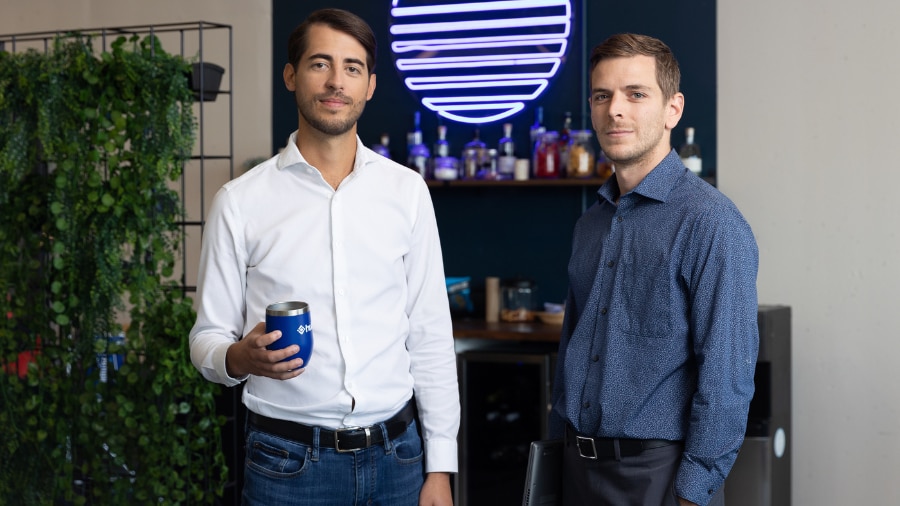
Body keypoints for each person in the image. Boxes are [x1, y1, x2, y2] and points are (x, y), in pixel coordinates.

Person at [188, 8, 459, 506]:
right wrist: (236, 357)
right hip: (286, 466)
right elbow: (205, 339)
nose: (337, 82)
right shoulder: (240, 200)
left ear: (370, 85)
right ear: (291, 75)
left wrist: (440, 468)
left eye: (352, 68)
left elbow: (431, 336)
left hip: (399, 460)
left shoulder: (406, 191)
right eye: (320, 64)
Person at [549, 33, 759, 506]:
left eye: (635, 94)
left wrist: (693, 491)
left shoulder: (711, 222)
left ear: (673, 109)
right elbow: (571, 354)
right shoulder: (590, 224)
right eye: (602, 96)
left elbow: (726, 377)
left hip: (659, 477)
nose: (614, 110)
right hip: (576, 471)